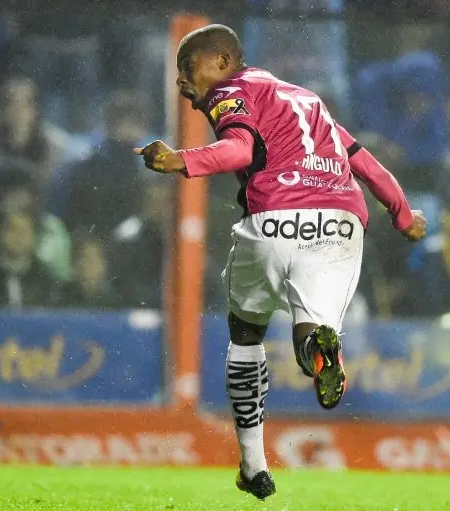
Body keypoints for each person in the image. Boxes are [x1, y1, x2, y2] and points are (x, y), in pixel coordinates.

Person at [133, 25, 426, 499]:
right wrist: (404, 214)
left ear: (222, 62)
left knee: (246, 332)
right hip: (340, 222)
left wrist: (181, 161)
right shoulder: (309, 101)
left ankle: (253, 464)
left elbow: (239, 149)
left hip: (274, 218)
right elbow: (364, 162)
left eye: (189, 69)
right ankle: (319, 350)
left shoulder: (230, 94)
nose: (182, 82)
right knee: (309, 330)